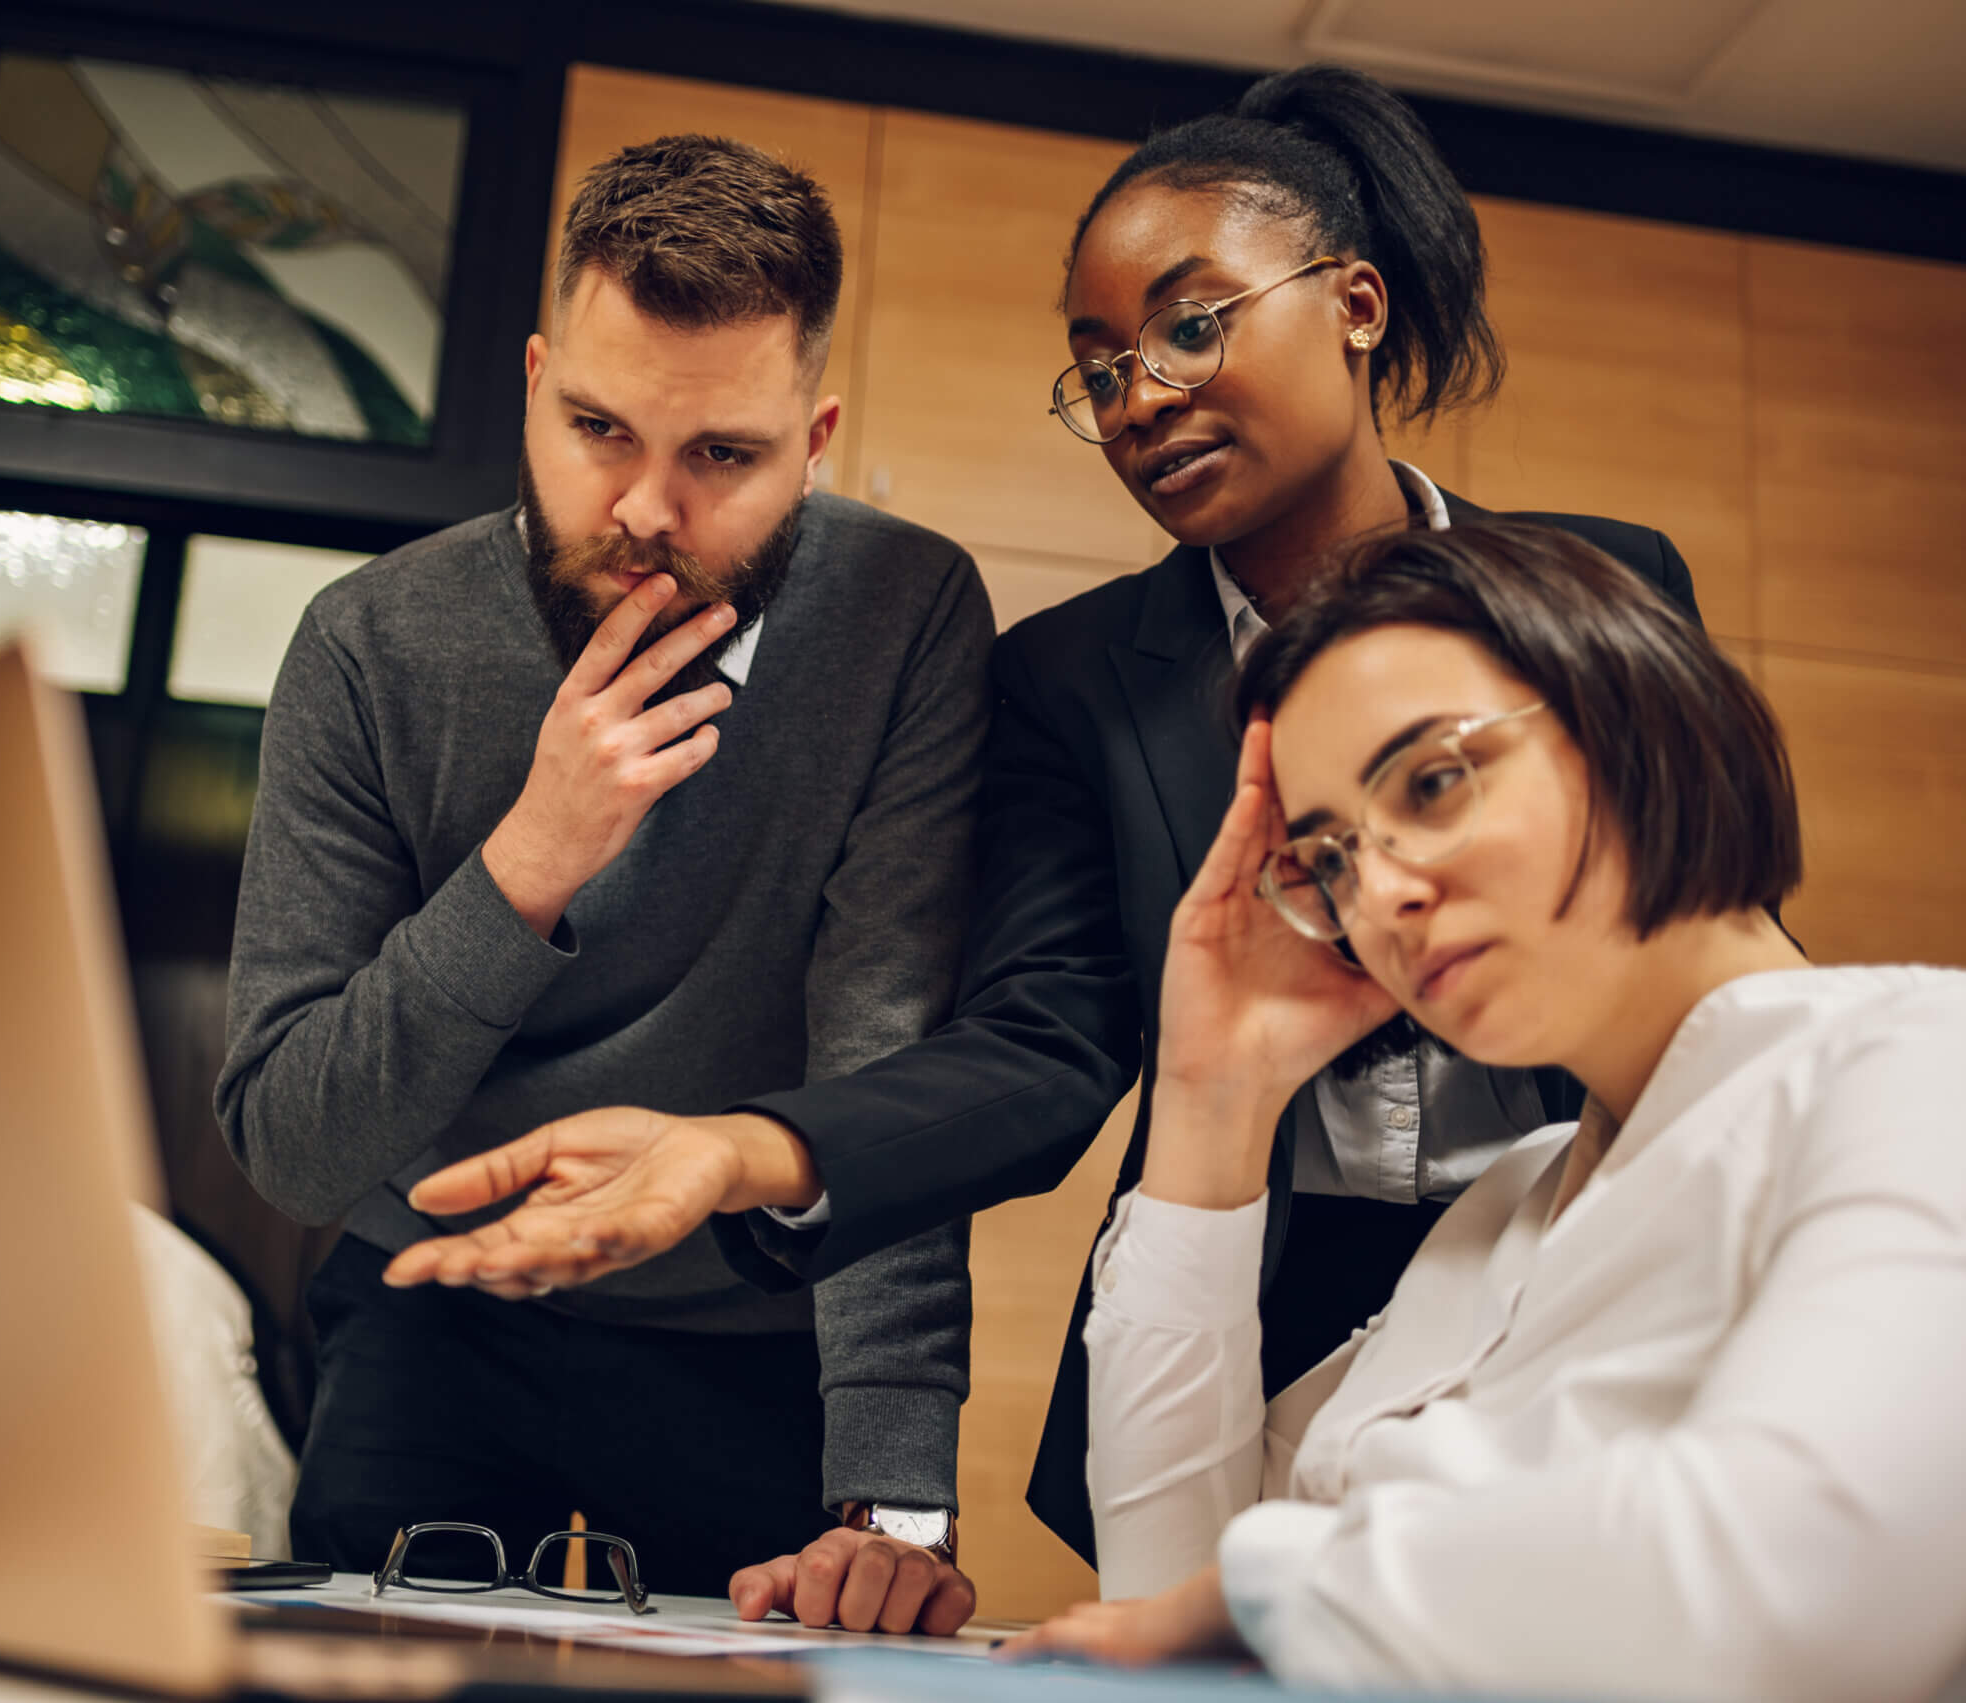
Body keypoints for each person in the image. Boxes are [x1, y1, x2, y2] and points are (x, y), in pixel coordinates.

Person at [385, 66, 1706, 1561]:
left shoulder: (1615, 585)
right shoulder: (1072, 679)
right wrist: (747, 1146)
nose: (1144, 396)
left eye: (1192, 324)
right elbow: (1039, 1042)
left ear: (1354, 302)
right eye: (1103, 366)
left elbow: (1710, 937)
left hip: (1583, 1249)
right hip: (1247, 1308)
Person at [1006, 519, 1966, 1701]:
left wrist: (1259, 1587)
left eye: (1431, 782)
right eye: (1328, 859)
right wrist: (1208, 1096)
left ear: (1633, 708)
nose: (1378, 892)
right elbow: (1158, 1599)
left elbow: (1784, 1597)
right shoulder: (1509, 1197)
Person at [213, 134, 986, 1635]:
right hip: (430, 1293)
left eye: (722, 456)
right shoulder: (367, 643)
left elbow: (890, 1061)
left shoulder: (905, 613)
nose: (644, 507)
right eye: (596, 428)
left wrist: (895, 1495)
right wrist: (532, 860)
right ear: (532, 378)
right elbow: (295, 1149)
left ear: (814, 439)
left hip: (751, 1323)